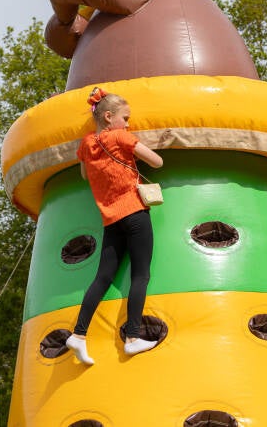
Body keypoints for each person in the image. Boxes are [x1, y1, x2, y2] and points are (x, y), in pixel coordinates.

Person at [65, 87, 164, 365]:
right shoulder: (121, 136)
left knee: (102, 278)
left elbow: (86, 174)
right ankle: (132, 337)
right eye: (125, 117)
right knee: (140, 275)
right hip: (134, 212)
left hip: (110, 219)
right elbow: (157, 161)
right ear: (109, 117)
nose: (128, 123)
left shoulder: (86, 144)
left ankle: (79, 334)